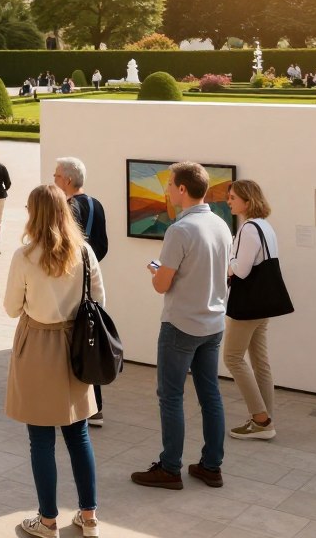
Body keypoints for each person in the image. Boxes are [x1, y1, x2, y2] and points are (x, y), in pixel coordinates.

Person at [3, 184, 102, 538]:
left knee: (40, 438)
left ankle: (47, 522)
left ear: (34, 213)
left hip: (37, 344)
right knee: (79, 435)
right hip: (76, 345)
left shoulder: (24, 256)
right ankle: (89, 517)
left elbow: (11, 307)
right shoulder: (85, 252)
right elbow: (99, 300)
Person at [131, 161, 232, 491]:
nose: (167, 189)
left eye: (171, 184)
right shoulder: (220, 225)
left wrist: (154, 270)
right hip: (213, 323)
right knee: (210, 395)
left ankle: (170, 468)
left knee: (171, 397)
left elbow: (162, 285)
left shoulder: (179, 231)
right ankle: (211, 466)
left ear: (183, 190)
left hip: (181, 325)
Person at [53, 156, 108, 424]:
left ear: (68, 180)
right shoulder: (96, 205)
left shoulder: (68, 207)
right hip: (89, 285)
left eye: (56, 177)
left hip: (71, 289)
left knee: (74, 346)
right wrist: (89, 268)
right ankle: (95, 406)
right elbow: (103, 245)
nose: (53, 181)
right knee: (90, 343)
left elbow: (61, 247)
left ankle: (81, 406)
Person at [224, 179, 279, 440]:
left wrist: (228, 261)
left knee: (232, 358)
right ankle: (265, 420)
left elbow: (242, 270)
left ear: (247, 200)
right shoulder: (265, 227)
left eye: (233, 197)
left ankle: (260, 419)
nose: (229, 201)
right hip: (263, 303)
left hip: (246, 305)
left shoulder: (248, 228)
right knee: (260, 361)